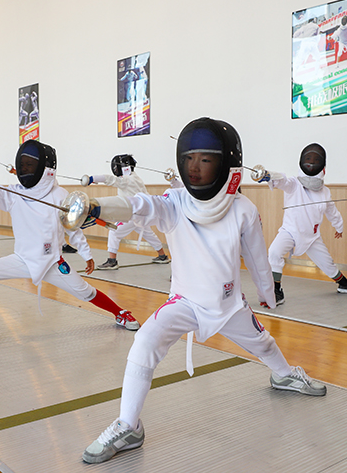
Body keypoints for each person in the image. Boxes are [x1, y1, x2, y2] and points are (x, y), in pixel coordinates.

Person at [77, 118, 326, 464]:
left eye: (205, 159)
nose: (194, 168)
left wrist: (267, 294)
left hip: (229, 305)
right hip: (184, 303)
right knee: (144, 341)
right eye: (189, 159)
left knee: (264, 343)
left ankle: (285, 376)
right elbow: (140, 205)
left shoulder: (243, 209)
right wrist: (97, 207)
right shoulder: (175, 202)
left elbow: (257, 258)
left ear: (226, 164)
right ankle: (128, 425)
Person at [0, 140, 141, 352]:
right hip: (22, 259)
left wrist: (86, 254)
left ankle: (120, 313)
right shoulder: (14, 194)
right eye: (22, 165)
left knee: (86, 292)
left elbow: (73, 227)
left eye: (30, 165)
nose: (25, 169)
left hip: (52, 262)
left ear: (45, 169)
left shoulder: (60, 195)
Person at [256, 143, 347, 307]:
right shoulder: (294, 184)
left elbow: (332, 210)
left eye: (316, 160)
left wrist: (339, 227)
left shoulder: (325, 192)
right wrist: (267, 175)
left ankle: (344, 284)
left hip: (312, 237)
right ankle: (276, 290)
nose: (312, 163)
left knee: (327, 264)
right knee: (274, 252)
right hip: (290, 232)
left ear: (322, 166)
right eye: (308, 159)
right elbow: (281, 180)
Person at [81, 154, 170, 269]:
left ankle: (112, 261)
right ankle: (162, 256)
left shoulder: (127, 180)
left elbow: (110, 179)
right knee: (148, 233)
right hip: (142, 213)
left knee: (114, 232)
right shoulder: (135, 177)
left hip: (131, 213)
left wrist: (92, 179)